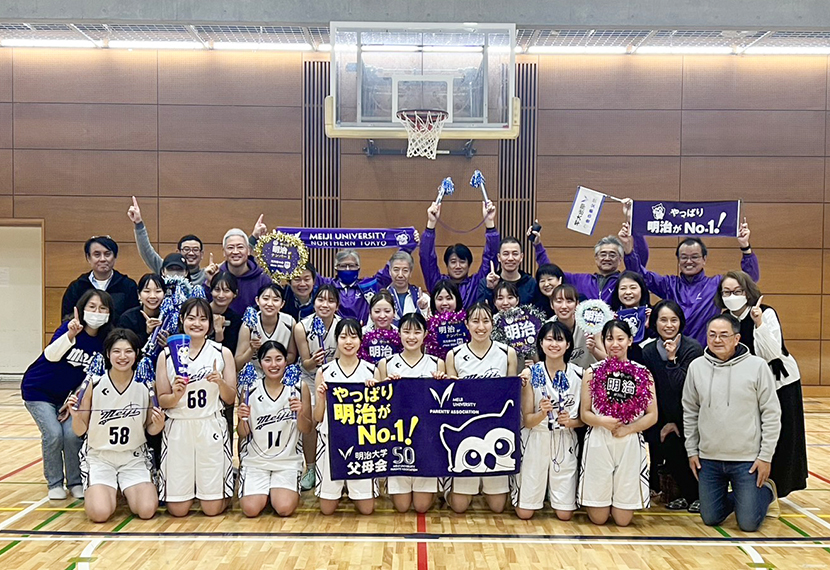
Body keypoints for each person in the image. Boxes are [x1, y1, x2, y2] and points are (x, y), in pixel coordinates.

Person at [683, 314, 781, 532]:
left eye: (724, 335)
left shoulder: (757, 366)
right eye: (712, 335)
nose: (717, 340)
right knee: (710, 517)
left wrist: (765, 456)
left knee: (748, 524)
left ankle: (766, 492)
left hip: (746, 460)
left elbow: (772, 414)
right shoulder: (696, 367)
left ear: (737, 338)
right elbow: (690, 411)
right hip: (709, 458)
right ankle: (745, 498)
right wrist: (692, 450)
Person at [714, 271, 807, 498]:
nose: (732, 296)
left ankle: (776, 490)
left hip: (780, 384)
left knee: (781, 437)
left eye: (737, 291)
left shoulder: (765, 313)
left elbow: (773, 352)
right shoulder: (726, 319)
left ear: (747, 292)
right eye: (727, 292)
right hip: (749, 388)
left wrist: (759, 324)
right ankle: (750, 488)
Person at [22, 289, 115, 500]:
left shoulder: (104, 341)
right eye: (92, 307)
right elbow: (51, 355)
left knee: (73, 435)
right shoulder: (68, 329)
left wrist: (72, 400)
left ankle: (75, 481)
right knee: (54, 434)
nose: (97, 312)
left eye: (102, 308)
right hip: (38, 390)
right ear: (80, 310)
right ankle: (54, 482)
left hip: (67, 396)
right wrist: (70, 335)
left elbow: (91, 376)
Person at [67, 328, 164, 522]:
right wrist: (76, 417)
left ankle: (125, 488)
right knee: (100, 514)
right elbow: (80, 431)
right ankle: (109, 489)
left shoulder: (146, 385)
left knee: (146, 511)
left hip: (133, 457)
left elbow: (149, 428)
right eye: (116, 351)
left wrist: (158, 424)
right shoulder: (93, 384)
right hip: (99, 457)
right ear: (108, 354)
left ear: (136, 354)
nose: (122, 356)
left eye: (128, 351)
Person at [619, 220, 759, 346]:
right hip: (672, 353)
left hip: (705, 354)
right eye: (684, 257)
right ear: (679, 261)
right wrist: (628, 247)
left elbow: (749, 279)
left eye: (695, 257)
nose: (689, 261)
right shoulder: (669, 284)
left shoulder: (716, 284)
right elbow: (638, 275)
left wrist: (745, 247)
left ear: (704, 259)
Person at [156, 298, 236, 517]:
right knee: (178, 510)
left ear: (210, 324)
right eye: (191, 318)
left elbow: (230, 398)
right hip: (178, 427)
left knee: (212, 510)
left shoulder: (222, 353)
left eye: (203, 319)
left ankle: (222, 490)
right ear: (182, 320)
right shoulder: (165, 355)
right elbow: (162, 400)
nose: (197, 323)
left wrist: (220, 382)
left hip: (210, 425)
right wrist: (175, 395)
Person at [578, 320, 657, 526]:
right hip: (599, 438)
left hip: (629, 440)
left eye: (620, 339)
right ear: (602, 342)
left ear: (630, 341)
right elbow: (585, 414)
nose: (615, 344)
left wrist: (629, 428)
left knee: (623, 521)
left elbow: (652, 415)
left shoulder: (643, 373)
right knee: (599, 518)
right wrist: (602, 421)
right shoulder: (592, 372)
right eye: (609, 339)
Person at [444, 302, 519, 514]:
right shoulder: (454, 355)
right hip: (468, 431)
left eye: (485, 321)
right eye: (475, 321)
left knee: (497, 507)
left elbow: (511, 393)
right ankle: (449, 489)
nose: (480, 326)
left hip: (496, 430)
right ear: (466, 324)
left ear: (492, 324)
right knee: (459, 507)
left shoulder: (507, 353)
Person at [375, 312, 445, 513]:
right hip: (397, 439)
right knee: (402, 507)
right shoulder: (386, 364)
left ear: (425, 334)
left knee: (422, 507)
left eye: (417, 332)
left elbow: (445, 404)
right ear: (399, 334)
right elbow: (378, 406)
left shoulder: (436, 364)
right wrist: (384, 387)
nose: (411, 337)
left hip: (427, 439)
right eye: (406, 331)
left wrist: (443, 382)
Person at [514, 321, 583, 520]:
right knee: (525, 513)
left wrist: (572, 422)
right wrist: (542, 413)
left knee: (564, 514)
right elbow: (527, 421)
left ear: (568, 344)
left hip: (564, 439)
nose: (554, 344)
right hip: (536, 438)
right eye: (549, 339)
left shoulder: (580, 374)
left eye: (560, 340)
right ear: (541, 343)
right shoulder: (531, 373)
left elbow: (584, 420)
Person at [237, 341, 313, 517]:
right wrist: (242, 419)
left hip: (287, 461)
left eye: (279, 359)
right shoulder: (249, 390)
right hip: (256, 461)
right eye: (268, 360)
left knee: (284, 509)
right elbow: (242, 433)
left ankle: (275, 491)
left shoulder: (298, 388)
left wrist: (300, 412)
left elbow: (307, 428)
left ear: (286, 361)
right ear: (260, 362)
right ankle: (264, 490)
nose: (273, 365)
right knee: (250, 510)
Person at [641, 300, 703, 512]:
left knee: (684, 447)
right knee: (664, 443)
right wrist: (663, 421)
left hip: (691, 416)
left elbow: (683, 386)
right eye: (663, 320)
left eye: (674, 320)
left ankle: (698, 495)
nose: (668, 325)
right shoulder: (648, 351)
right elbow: (649, 389)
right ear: (655, 323)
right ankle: (685, 494)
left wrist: (671, 359)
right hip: (661, 416)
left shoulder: (692, 348)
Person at [314, 319, 379, 515]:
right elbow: (318, 417)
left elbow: (381, 416)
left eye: (353, 336)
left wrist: (375, 393)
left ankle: (353, 490)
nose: (348, 342)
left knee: (367, 510)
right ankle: (338, 489)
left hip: (362, 444)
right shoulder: (324, 371)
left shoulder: (371, 370)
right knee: (327, 510)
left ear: (361, 340)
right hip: (331, 443)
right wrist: (321, 397)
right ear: (337, 340)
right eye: (343, 337)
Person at [528, 201, 649, 304]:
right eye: (603, 254)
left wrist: (633, 223)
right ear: (596, 258)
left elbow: (640, 262)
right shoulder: (580, 280)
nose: (607, 258)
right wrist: (538, 245)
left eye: (612, 255)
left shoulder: (624, 281)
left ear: (620, 259)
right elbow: (550, 273)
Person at [293, 284, 342, 492]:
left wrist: (329, 370)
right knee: (312, 420)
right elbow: (304, 363)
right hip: (310, 379)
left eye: (330, 301)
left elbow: (342, 362)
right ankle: (311, 468)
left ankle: (337, 466)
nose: (325, 304)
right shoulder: (301, 327)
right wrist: (313, 361)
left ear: (337, 305)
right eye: (321, 300)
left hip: (334, 378)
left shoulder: (342, 327)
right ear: (314, 302)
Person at [420, 199, 499, 309]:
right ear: (446, 264)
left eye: (462, 262)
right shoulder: (438, 283)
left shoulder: (476, 283)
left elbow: (491, 256)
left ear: (469, 264)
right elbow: (427, 259)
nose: (458, 266)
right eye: (453, 262)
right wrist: (431, 224)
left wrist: (489, 223)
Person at [127, 196, 206, 285]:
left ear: (201, 254)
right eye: (186, 249)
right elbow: (147, 252)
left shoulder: (208, 274)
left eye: (195, 250)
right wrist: (138, 223)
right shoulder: (166, 267)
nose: (191, 253)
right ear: (178, 252)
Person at [61, 236, 138, 322]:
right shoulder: (77, 287)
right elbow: (66, 319)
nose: (102, 259)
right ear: (88, 258)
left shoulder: (128, 285)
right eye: (97, 255)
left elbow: (133, 319)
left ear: (115, 257)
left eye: (107, 254)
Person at [203, 229, 272, 314]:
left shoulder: (263, 278)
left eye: (240, 247)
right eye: (230, 248)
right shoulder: (217, 275)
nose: (235, 252)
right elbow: (204, 309)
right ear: (224, 252)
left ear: (248, 251)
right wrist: (210, 282)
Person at [236, 284, 297, 371]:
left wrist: (275, 363)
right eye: (265, 299)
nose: (270, 304)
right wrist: (251, 349)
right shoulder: (248, 325)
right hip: (255, 374)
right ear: (257, 300)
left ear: (282, 304)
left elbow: (291, 355)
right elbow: (238, 364)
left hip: (280, 371)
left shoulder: (290, 322)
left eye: (275, 300)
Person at [547, 284, 606, 368]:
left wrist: (593, 350)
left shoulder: (590, 324)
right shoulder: (546, 328)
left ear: (577, 304)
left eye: (569, 301)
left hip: (588, 377)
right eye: (559, 301)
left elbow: (607, 360)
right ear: (552, 304)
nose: (564, 306)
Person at [478, 237, 538, 307]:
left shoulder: (531, 283)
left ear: (521, 257)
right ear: (499, 257)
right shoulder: (486, 283)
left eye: (515, 254)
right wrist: (490, 289)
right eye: (506, 254)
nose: (510, 258)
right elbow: (482, 312)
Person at [610, 271, 653, 364]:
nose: (628, 292)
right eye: (623, 288)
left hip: (647, 366)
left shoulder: (652, 313)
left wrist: (653, 322)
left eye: (633, 288)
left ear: (642, 290)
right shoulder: (612, 315)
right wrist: (611, 326)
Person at [118, 273, 167, 348]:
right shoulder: (128, 318)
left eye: (158, 291)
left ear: (165, 294)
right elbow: (125, 347)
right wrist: (147, 333)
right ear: (139, 294)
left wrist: (169, 343)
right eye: (147, 291)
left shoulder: (170, 318)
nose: (152, 296)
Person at [386, 251, 429, 325]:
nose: (400, 275)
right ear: (390, 271)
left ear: (410, 273)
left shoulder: (423, 298)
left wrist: (423, 309)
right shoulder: (381, 298)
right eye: (396, 270)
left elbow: (429, 327)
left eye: (405, 270)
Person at [208, 271, 243, 356]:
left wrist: (219, 333)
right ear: (211, 291)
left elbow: (228, 353)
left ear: (235, 293)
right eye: (217, 290)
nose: (221, 295)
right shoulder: (200, 312)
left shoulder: (235, 319)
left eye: (226, 291)